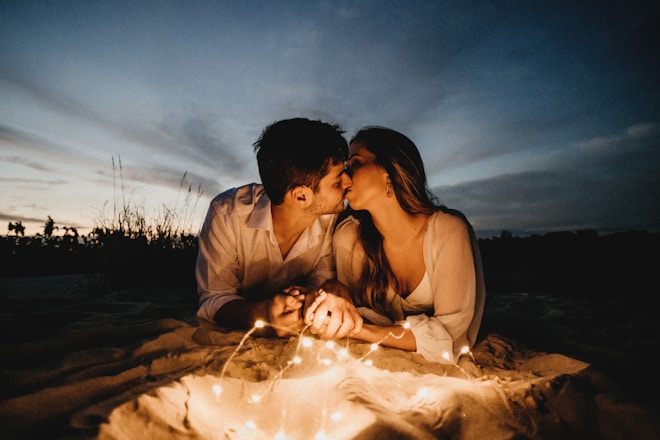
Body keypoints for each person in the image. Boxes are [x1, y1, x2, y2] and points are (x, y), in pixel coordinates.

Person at [306, 126, 485, 364]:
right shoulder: (349, 236)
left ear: (389, 170)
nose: (345, 177)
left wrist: (358, 330)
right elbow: (354, 310)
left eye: (356, 164)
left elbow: (452, 337)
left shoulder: (447, 230)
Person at [196, 118, 362, 338]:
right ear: (301, 195)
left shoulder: (334, 220)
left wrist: (330, 291)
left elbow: (321, 285)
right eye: (337, 180)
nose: (349, 182)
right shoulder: (227, 214)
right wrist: (262, 313)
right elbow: (214, 299)